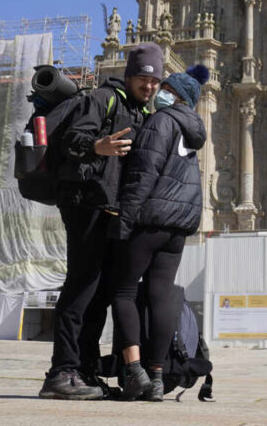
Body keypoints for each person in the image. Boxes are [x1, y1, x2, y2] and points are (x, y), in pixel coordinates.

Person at [39, 43, 163, 400]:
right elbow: (71, 140)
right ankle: (61, 372)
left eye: (155, 81)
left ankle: (85, 369)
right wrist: (98, 146)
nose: (150, 86)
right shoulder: (104, 98)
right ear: (130, 76)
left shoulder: (138, 111)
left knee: (99, 293)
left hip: (109, 209)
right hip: (85, 203)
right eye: (144, 78)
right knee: (81, 287)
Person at [110, 65, 208, 401]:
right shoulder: (192, 130)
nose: (158, 93)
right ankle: (157, 377)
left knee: (122, 292)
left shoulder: (161, 121)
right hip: (178, 226)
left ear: (177, 95)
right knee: (160, 294)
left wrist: (124, 221)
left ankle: (135, 370)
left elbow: (144, 173)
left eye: (165, 88)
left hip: (151, 219)